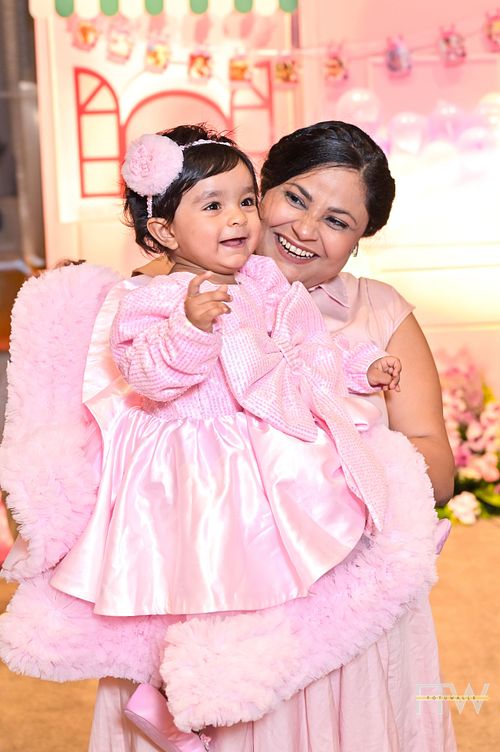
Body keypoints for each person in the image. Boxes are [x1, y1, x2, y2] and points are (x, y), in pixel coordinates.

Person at [0, 122, 453, 752]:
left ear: (359, 239)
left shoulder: (368, 307)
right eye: (295, 199)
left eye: (337, 221)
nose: (306, 228)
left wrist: (346, 468)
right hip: (191, 542)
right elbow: (116, 402)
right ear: (266, 190)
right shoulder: (158, 293)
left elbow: (426, 456)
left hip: (328, 574)